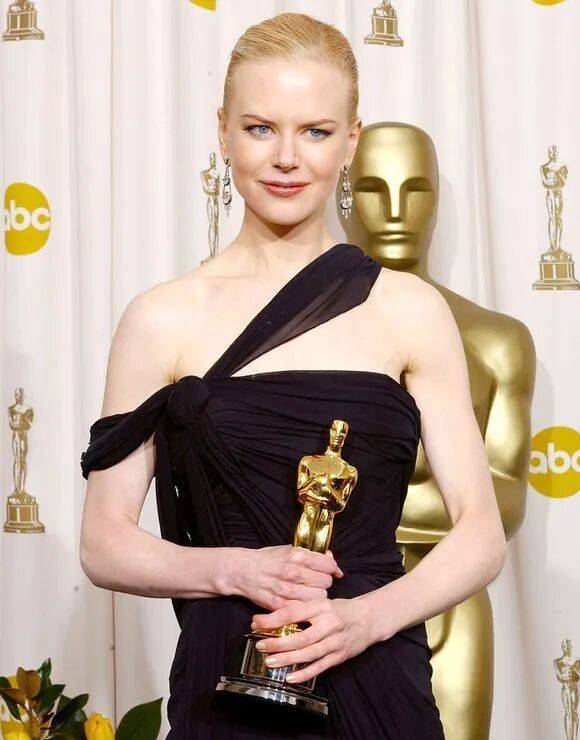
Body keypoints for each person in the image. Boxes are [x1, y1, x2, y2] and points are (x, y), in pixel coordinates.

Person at [79, 11, 507, 739]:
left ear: (351, 141)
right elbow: (104, 544)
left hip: (377, 673)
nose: (285, 157)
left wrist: (364, 620)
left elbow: (481, 534)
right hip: (225, 679)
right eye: (259, 128)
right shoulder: (160, 318)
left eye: (314, 131)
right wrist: (236, 571)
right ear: (222, 133)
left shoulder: (409, 309)